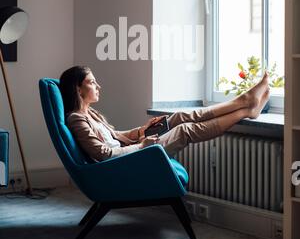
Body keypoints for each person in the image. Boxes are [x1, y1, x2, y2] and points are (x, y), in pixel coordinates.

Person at [60, 65, 270, 162]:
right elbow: (102, 154)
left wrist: (141, 130)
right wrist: (141, 145)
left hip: (132, 149)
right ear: (78, 89)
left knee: (178, 117)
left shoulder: (91, 114)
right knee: (185, 130)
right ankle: (245, 109)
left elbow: (116, 137)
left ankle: (243, 104)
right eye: (91, 82)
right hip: (128, 160)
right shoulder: (77, 119)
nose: (98, 85)